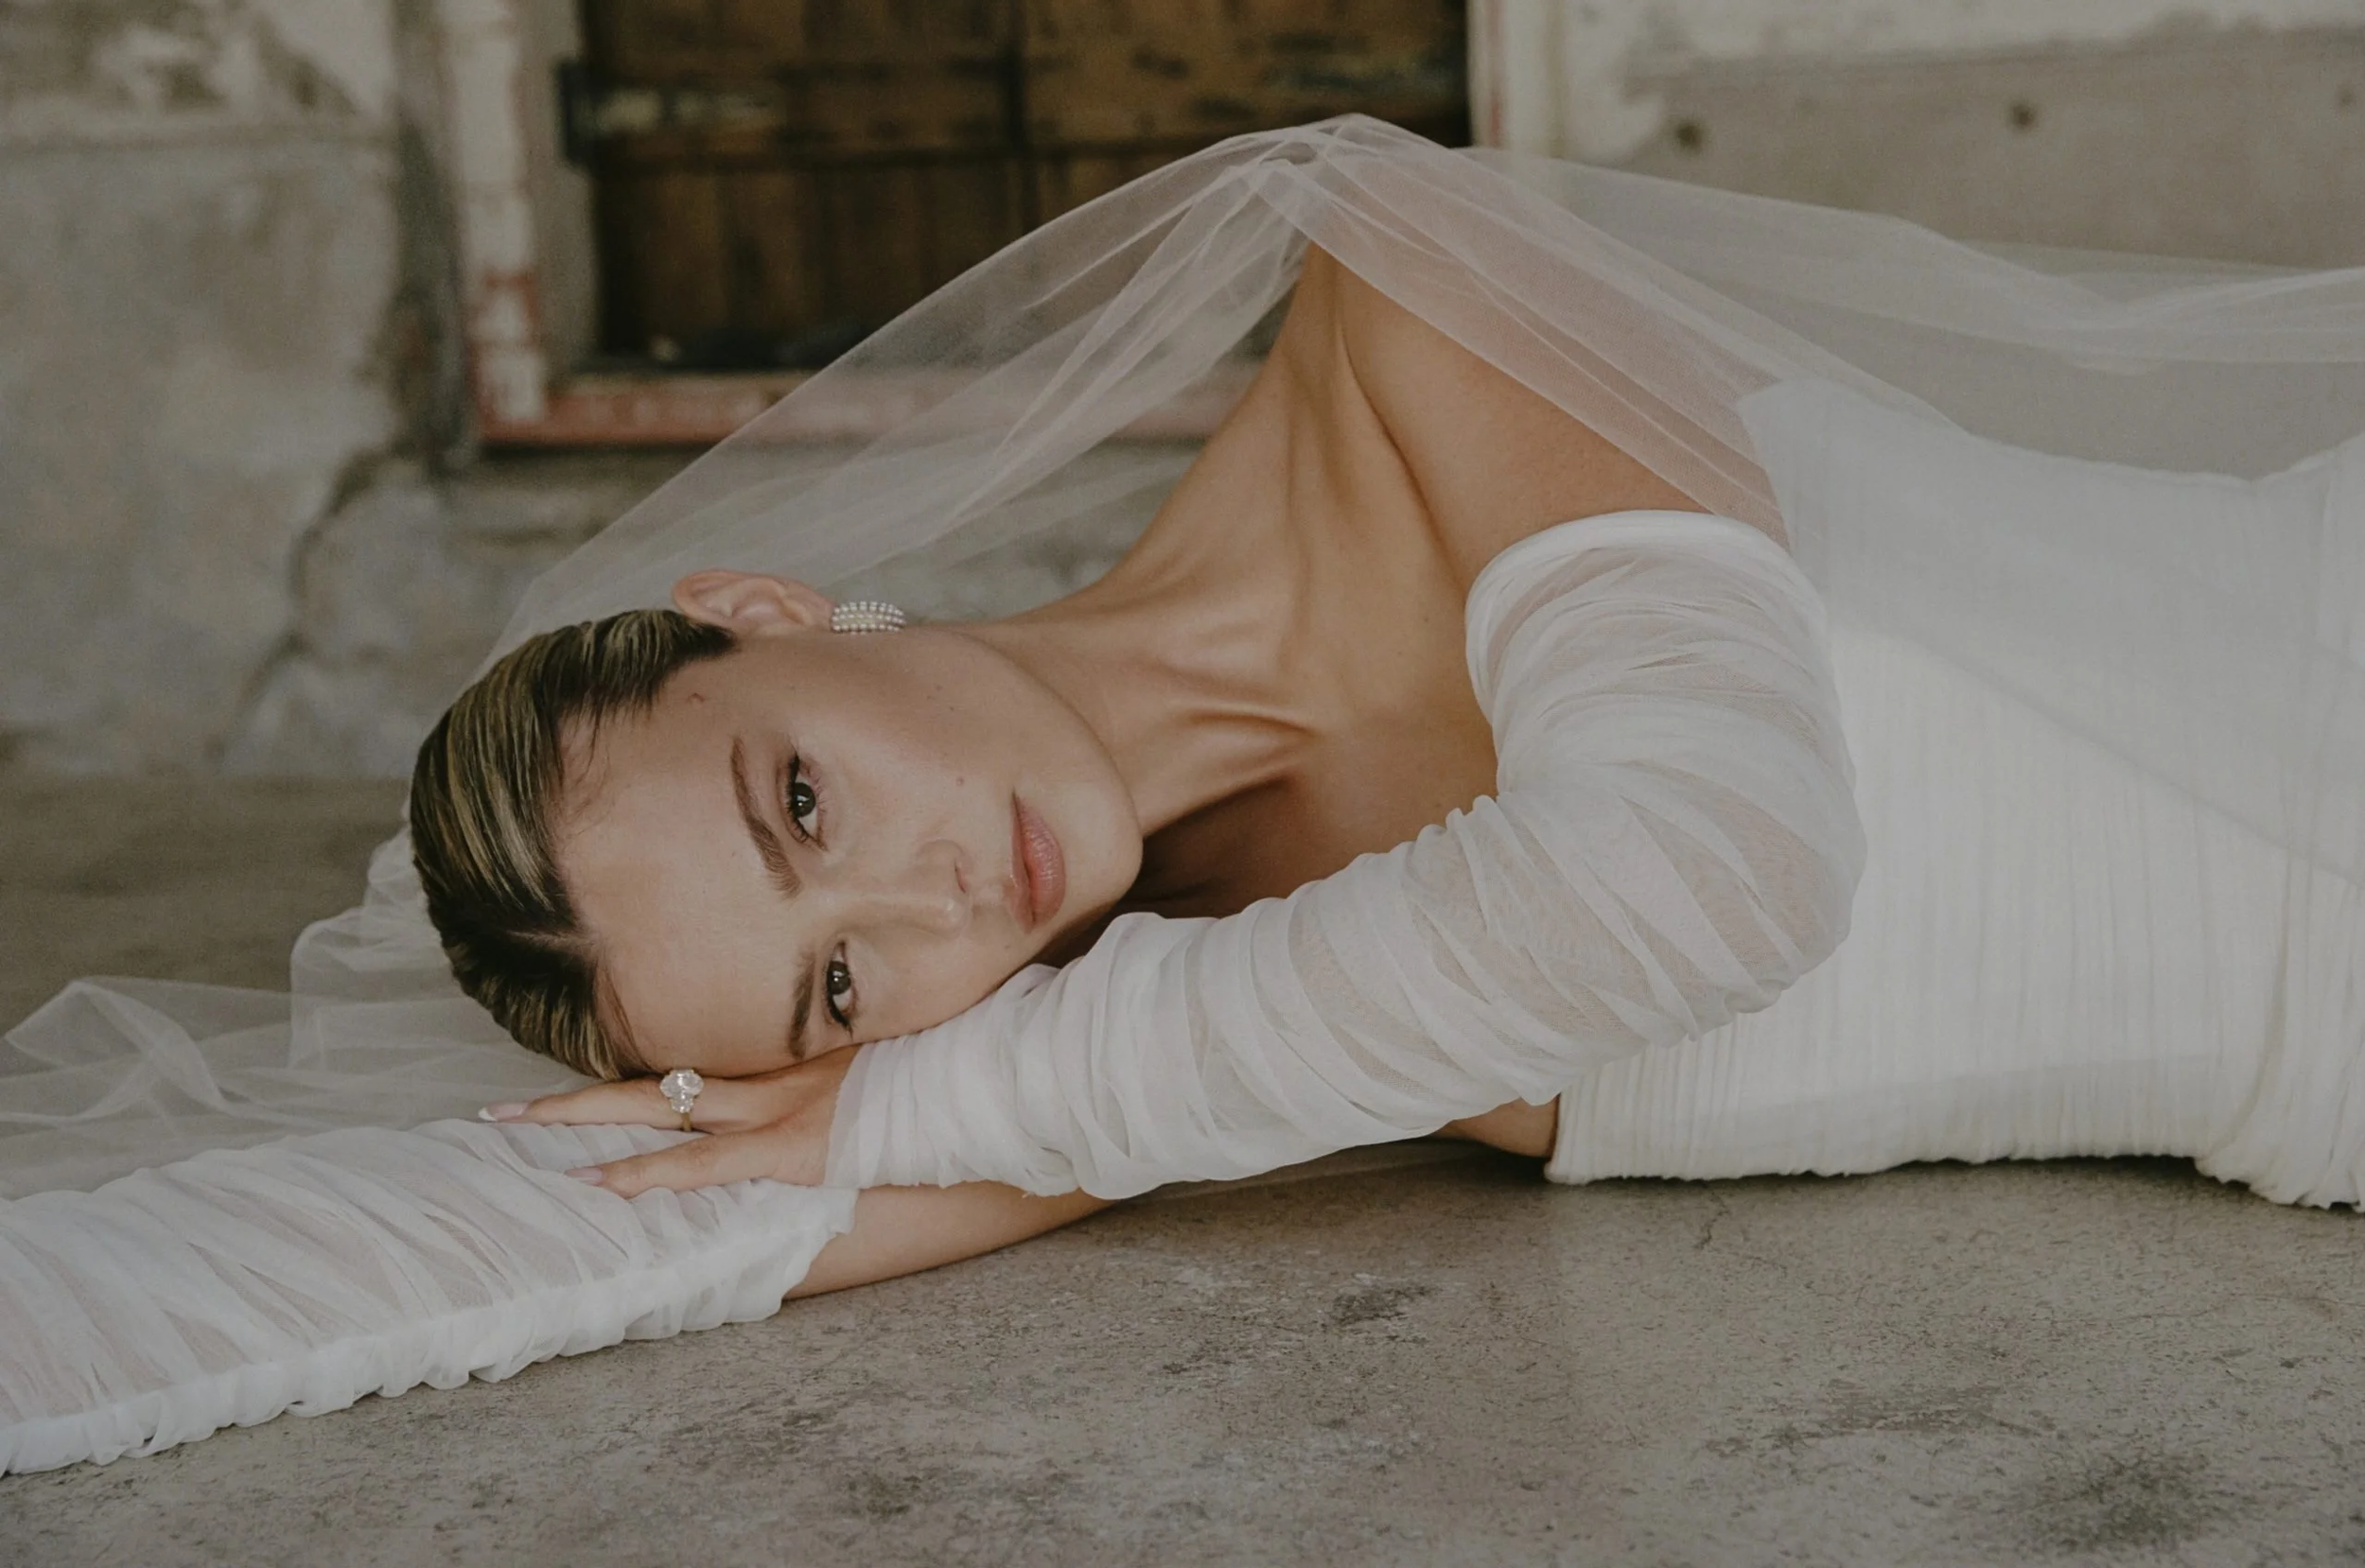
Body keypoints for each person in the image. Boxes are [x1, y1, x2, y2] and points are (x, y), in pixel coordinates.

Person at [8, 115, 2365, 1472]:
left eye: (803, 803)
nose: (929, 913)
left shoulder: (1403, 312)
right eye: (837, 985)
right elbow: (565, 1230)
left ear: (767, 606)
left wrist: (932, 1100)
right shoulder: (1115, 1049)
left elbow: (1715, 865)